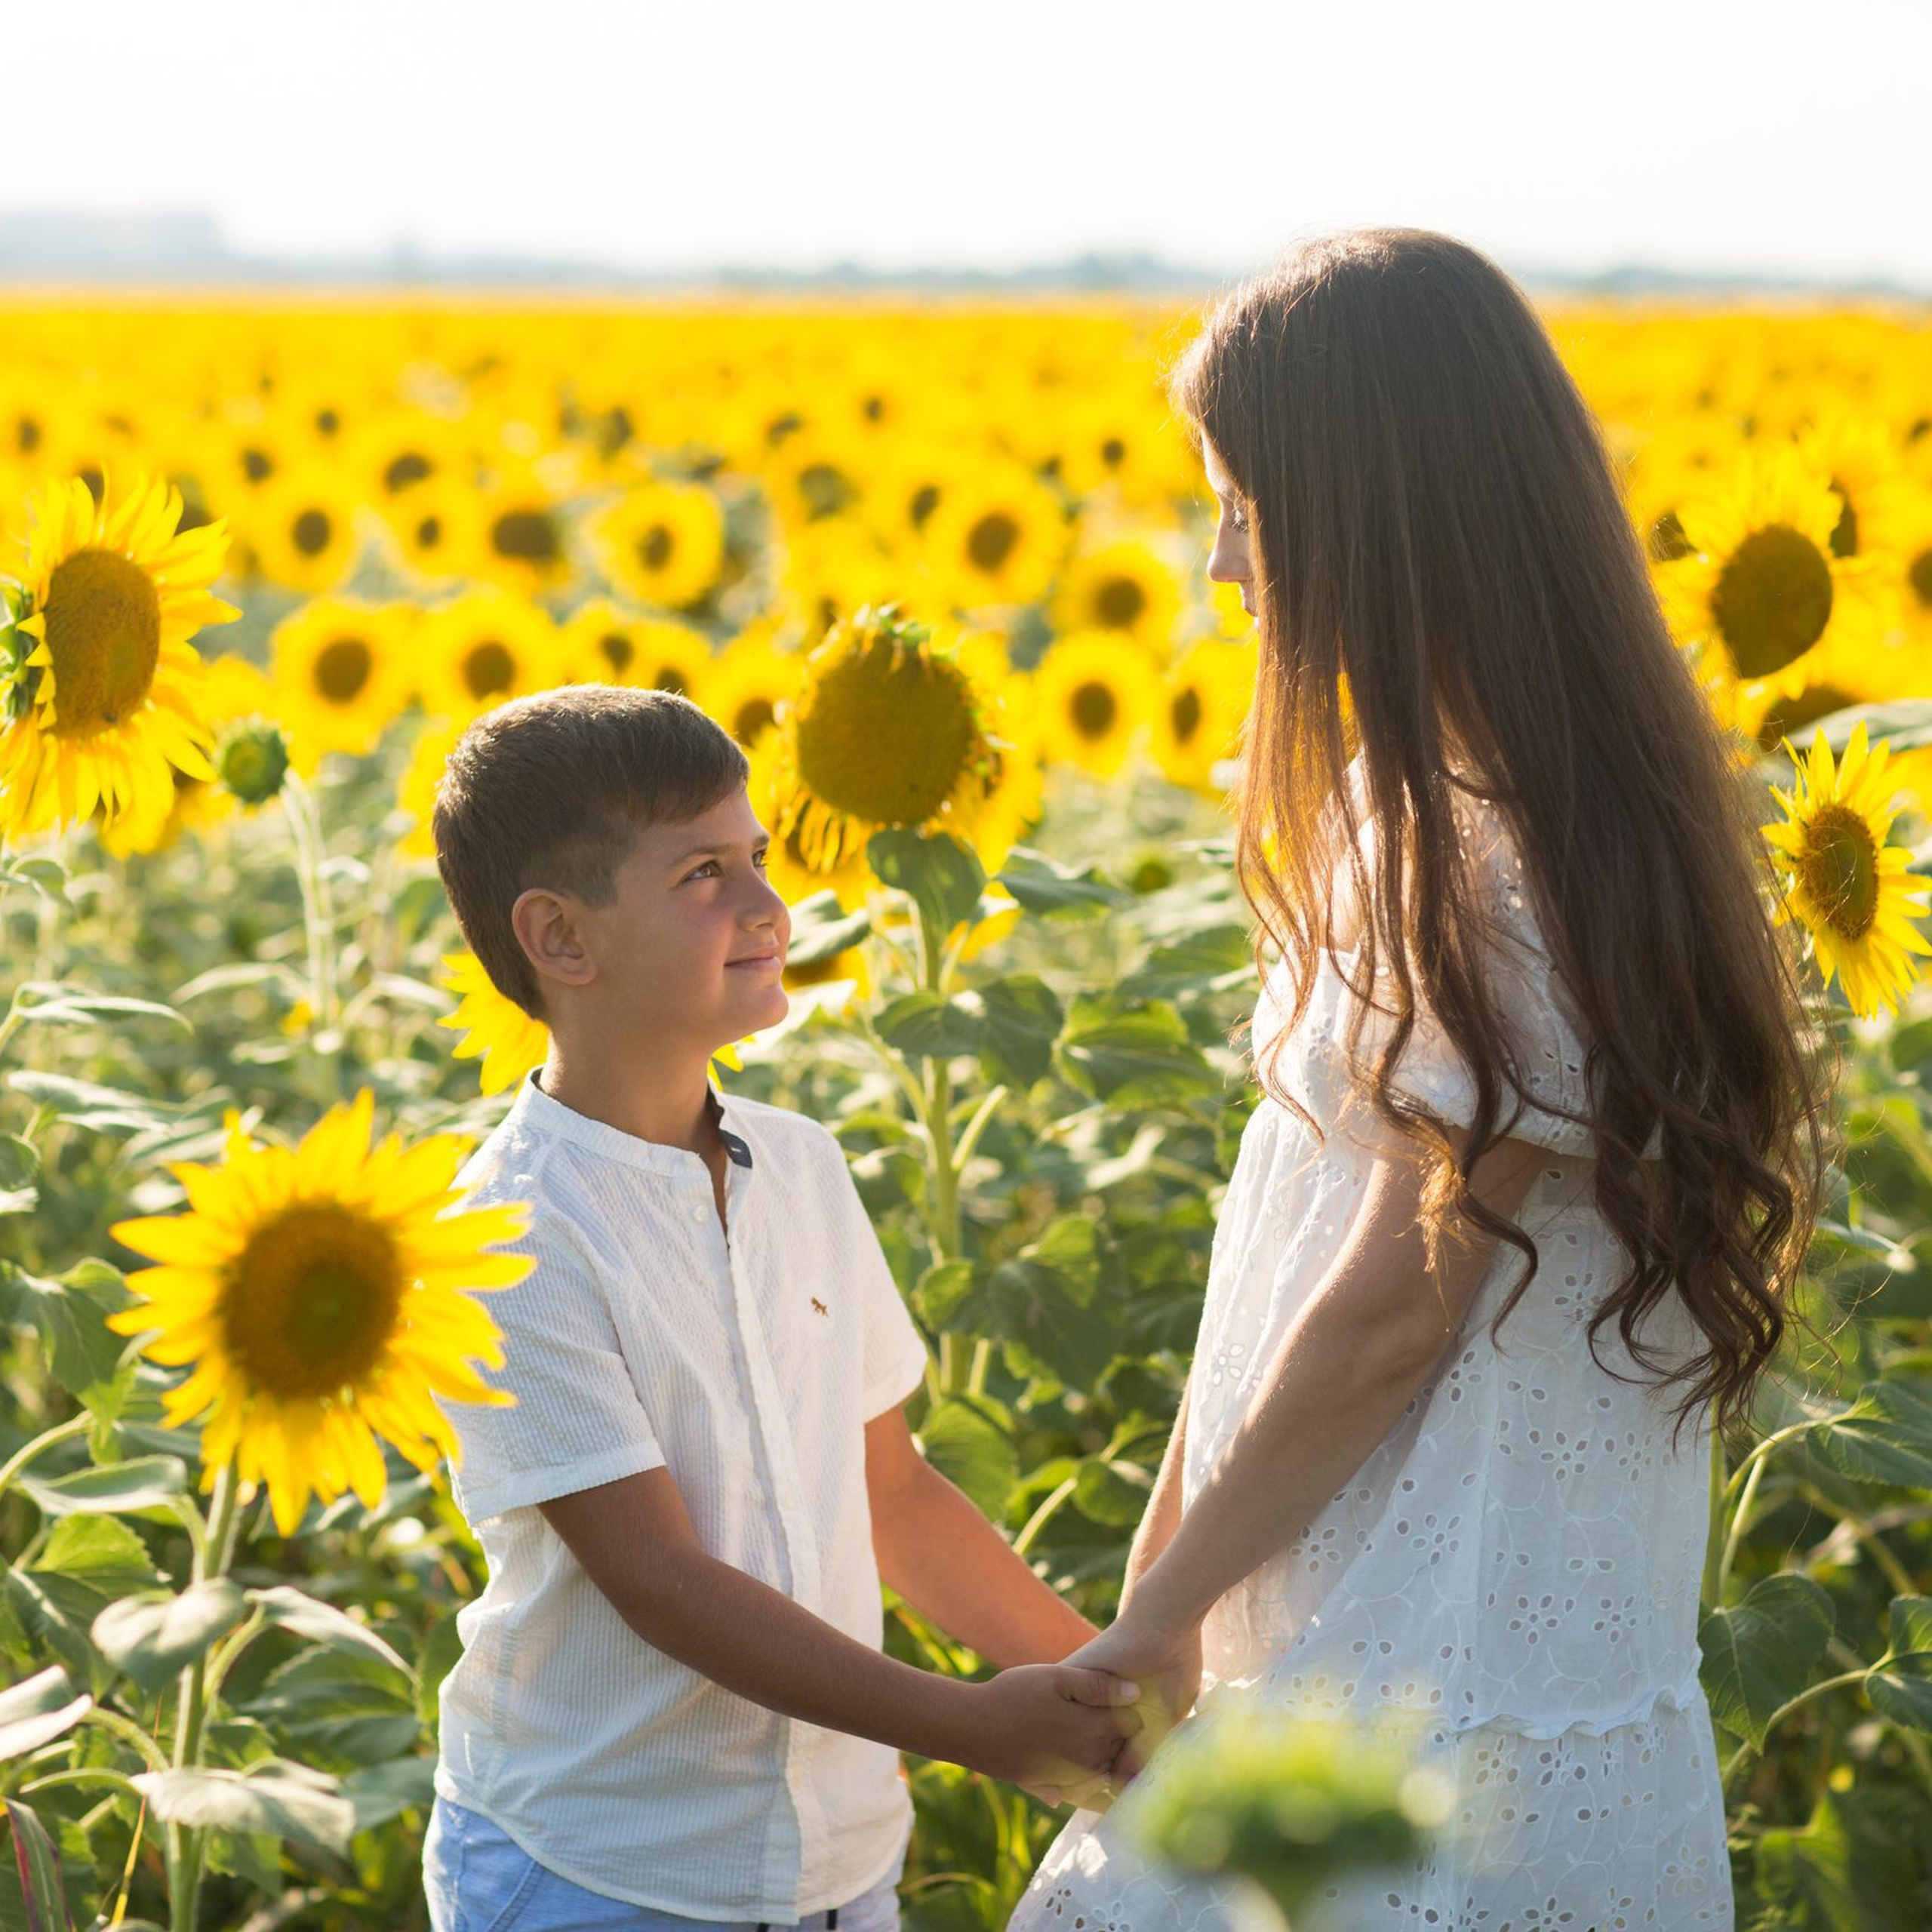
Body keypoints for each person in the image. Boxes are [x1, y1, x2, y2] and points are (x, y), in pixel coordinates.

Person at [1007, 229, 1832, 1929]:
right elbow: (1275, 1245)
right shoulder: (1509, 809)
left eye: (1239, 503)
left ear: (1359, 507)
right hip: (1389, 1621)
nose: (1219, 566)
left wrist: (1157, 1612)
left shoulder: (1484, 852)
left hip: (1418, 1666)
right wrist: (1156, 1590)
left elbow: (1392, 1302)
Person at [420, 684, 1140, 1932]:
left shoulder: (800, 1163)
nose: (770, 907)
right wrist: (974, 1727)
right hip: (601, 1872)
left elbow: (894, 1494)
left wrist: (1108, 1694)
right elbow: (664, 1585)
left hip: (841, 1864)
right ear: (562, 939)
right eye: (703, 873)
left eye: (757, 857)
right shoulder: (507, 1235)